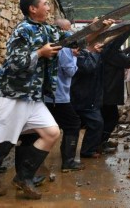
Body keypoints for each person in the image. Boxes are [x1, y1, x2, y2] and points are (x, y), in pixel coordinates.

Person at [0, 0, 113, 207]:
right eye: (45, 4)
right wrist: (39, 53)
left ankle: (23, 178)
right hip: (10, 96)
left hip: (33, 98)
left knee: (51, 133)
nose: (48, 7)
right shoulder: (22, 30)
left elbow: (75, 41)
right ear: (32, 9)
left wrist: (99, 28)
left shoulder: (48, 30)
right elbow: (14, 62)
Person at [44, 19, 85, 172]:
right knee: (73, 124)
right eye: (69, 29)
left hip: (47, 95)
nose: (71, 32)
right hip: (59, 95)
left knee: (41, 128)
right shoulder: (65, 47)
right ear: (63, 30)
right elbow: (70, 71)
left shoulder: (48, 44)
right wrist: (74, 56)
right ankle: (68, 162)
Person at [99, 32, 130, 151]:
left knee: (106, 118)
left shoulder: (106, 50)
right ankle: (100, 143)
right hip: (109, 91)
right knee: (112, 118)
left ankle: (99, 143)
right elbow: (127, 62)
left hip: (104, 91)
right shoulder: (112, 52)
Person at [70, 42, 105, 158]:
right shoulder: (80, 54)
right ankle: (72, 155)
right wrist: (94, 54)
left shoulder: (87, 53)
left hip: (88, 97)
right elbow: (88, 67)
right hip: (80, 96)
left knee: (94, 123)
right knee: (93, 123)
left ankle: (84, 151)